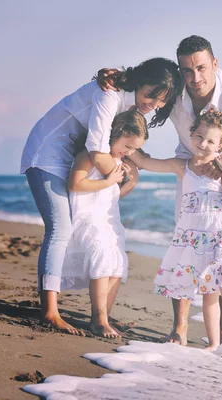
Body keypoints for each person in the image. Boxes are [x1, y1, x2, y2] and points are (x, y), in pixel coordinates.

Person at [98, 35, 222, 346]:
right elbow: (144, 90)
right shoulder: (175, 89)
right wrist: (115, 78)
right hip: (187, 165)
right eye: (187, 71)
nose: (195, 78)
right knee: (187, 242)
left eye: (201, 68)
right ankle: (180, 328)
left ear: (215, 64)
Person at [21, 58, 183, 335]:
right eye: (150, 95)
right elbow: (97, 151)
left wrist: (181, 167)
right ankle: (50, 311)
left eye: (159, 102)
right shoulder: (110, 96)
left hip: (72, 158)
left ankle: (98, 315)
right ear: (140, 82)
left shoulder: (129, 105)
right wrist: (119, 178)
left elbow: (136, 156)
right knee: (60, 229)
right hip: (47, 156)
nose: (152, 104)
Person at [135, 109, 222, 353]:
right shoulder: (183, 165)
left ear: (221, 144)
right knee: (208, 291)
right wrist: (126, 148)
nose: (203, 144)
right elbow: (147, 163)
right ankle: (215, 343)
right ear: (191, 134)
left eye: (211, 141)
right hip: (195, 236)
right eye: (199, 137)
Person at [61, 109, 146, 338]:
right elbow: (75, 185)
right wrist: (109, 180)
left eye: (133, 149)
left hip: (109, 220)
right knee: (102, 258)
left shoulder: (117, 162)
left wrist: (130, 183)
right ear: (114, 133)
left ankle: (102, 318)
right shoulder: (91, 155)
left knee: (118, 264)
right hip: (88, 218)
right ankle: (99, 321)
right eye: (127, 146)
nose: (129, 152)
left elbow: (111, 196)